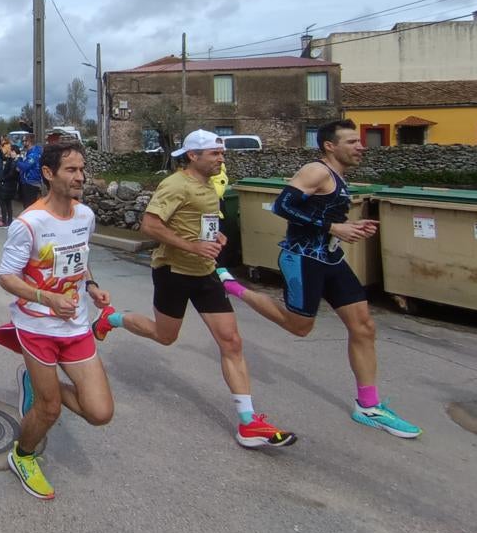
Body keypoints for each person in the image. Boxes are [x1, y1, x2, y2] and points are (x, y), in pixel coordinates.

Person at [92, 130, 297, 449]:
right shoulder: (174, 185)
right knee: (165, 335)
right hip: (173, 272)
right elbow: (149, 225)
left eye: (221, 154)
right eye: (215, 154)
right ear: (193, 156)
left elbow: (206, 222)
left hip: (205, 273)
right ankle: (112, 319)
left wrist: (216, 239)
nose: (221, 158)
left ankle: (248, 422)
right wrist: (191, 246)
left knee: (231, 341)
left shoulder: (209, 185)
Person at [218, 119, 420, 438]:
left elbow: (323, 213)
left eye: (359, 141)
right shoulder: (317, 171)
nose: (360, 146)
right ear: (330, 145)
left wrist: (351, 226)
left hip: (331, 258)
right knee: (299, 326)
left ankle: (369, 405)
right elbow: (282, 205)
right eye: (352, 141)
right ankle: (233, 286)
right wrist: (332, 228)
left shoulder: (338, 175)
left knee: (364, 326)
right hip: (302, 258)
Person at [0, 141, 115, 499]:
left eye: (82, 169)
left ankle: (35, 381)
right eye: (71, 170)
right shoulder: (29, 223)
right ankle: (23, 455)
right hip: (37, 325)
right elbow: (6, 277)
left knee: (100, 412)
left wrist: (90, 285)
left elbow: (80, 258)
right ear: (48, 174)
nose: (80, 177)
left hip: (75, 324)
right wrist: (47, 297)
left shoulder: (85, 216)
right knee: (49, 409)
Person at [16, 133, 43, 209]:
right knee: (26, 206)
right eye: (22, 141)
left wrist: (17, 160)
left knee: (29, 207)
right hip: (26, 181)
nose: (23, 143)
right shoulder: (28, 152)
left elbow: (25, 166)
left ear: (29, 141)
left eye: (24, 141)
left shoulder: (34, 154)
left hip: (32, 182)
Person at [0, 141, 20, 229]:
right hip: (11, 184)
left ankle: (4, 221)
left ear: (15, 152)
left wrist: (3, 179)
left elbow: (11, 174)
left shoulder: (15, 162)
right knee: (8, 203)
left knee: (3, 202)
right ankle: (9, 220)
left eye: (12, 151)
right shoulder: (11, 160)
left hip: (8, 184)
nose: (10, 152)